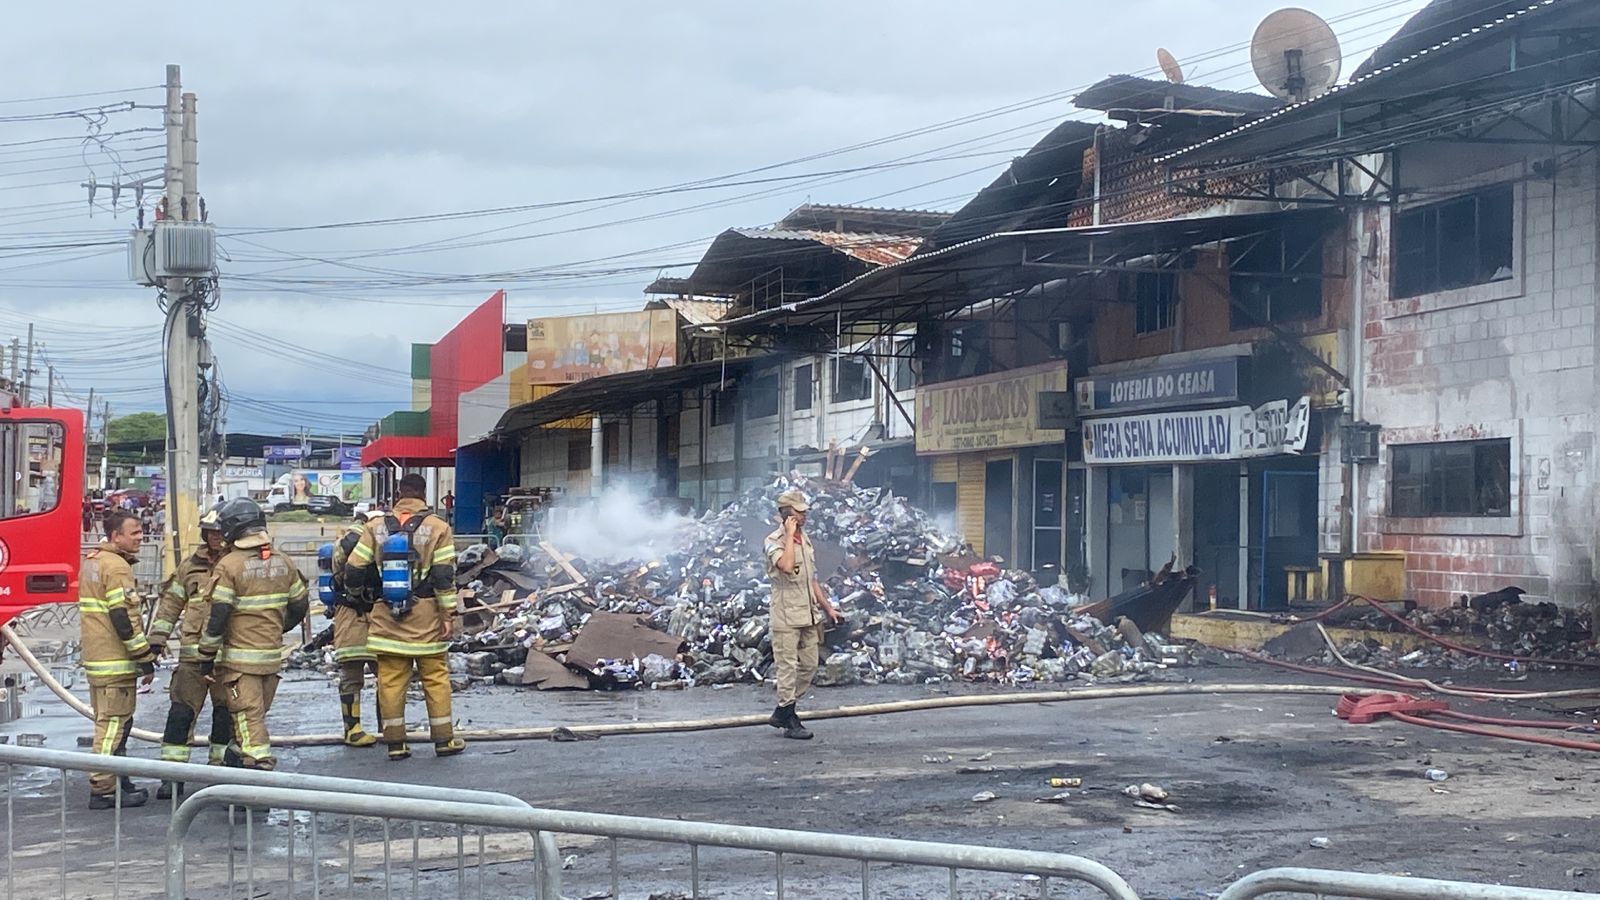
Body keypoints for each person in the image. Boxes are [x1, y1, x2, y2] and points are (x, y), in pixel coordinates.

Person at [345, 473, 464, 761]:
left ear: (399, 493)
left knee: (390, 680)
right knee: (435, 677)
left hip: (387, 616)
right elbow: (443, 576)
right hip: (426, 617)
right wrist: (447, 614)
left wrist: (359, 597)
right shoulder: (439, 527)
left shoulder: (374, 527)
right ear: (424, 494)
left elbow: (354, 568)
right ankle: (444, 740)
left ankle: (396, 743)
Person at [198, 498, 310, 770]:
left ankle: (258, 764)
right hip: (271, 657)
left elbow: (218, 617)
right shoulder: (283, 561)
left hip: (240, 661)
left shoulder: (230, 565)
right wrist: (278, 627)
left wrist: (206, 655)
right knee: (255, 716)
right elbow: (300, 605)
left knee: (248, 716)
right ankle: (238, 756)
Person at [147, 508, 232, 796]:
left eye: (220, 531)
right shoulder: (189, 567)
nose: (216, 537)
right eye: (211, 532)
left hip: (227, 656)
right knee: (181, 713)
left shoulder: (238, 564)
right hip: (193, 658)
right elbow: (171, 604)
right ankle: (172, 775)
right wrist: (157, 639)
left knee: (226, 715)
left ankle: (219, 774)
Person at [78, 510, 158, 808]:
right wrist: (144, 657)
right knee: (112, 726)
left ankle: (118, 780)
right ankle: (103, 789)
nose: (140, 537)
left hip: (97, 658)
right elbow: (123, 617)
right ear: (115, 536)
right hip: (116, 660)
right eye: (134, 533)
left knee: (111, 723)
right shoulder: (117, 567)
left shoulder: (92, 561)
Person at [762, 490, 841, 740]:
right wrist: (787, 536)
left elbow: (812, 579)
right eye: (799, 511)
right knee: (787, 668)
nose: (804, 514)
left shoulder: (805, 540)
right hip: (785, 613)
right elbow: (785, 566)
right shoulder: (773, 541)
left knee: (809, 665)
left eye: (805, 510)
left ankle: (783, 710)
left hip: (808, 612)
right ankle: (789, 719)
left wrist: (828, 607)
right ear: (787, 515)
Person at [327, 510, 385, 747]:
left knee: (351, 674)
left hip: (348, 614)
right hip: (379, 613)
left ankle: (352, 728)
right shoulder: (380, 540)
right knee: (388, 674)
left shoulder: (341, 543)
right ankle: (389, 727)